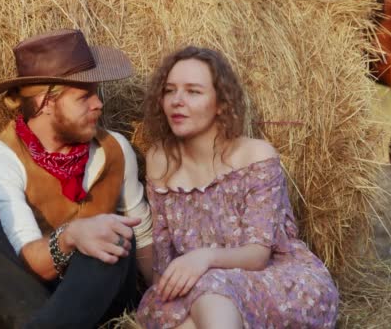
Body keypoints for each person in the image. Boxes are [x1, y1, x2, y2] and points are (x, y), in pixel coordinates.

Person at [0, 29, 154, 329]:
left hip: (98, 306)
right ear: (45, 102)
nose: (98, 105)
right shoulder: (2, 161)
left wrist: (168, 303)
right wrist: (71, 236)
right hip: (20, 305)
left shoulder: (114, 149)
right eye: (84, 96)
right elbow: (26, 266)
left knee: (112, 236)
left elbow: (143, 238)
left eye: (96, 93)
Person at [136, 46, 339, 329]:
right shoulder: (160, 160)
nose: (177, 101)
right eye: (170, 91)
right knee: (177, 312)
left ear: (221, 103)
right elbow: (162, 254)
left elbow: (257, 255)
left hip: (277, 281)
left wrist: (203, 259)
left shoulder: (255, 155)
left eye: (193, 91)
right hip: (198, 286)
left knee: (211, 287)